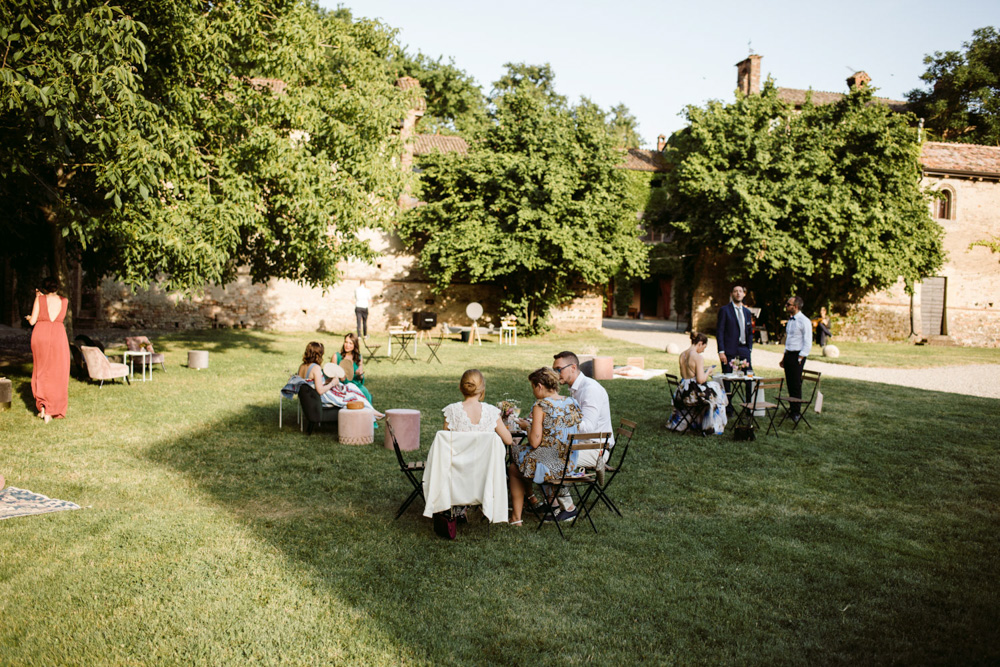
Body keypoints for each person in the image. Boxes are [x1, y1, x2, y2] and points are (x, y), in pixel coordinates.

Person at [509, 367, 582, 526]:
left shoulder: (541, 406)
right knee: (518, 467)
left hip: (551, 463)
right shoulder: (572, 402)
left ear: (539, 386)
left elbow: (535, 442)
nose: (534, 392)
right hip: (569, 461)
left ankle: (517, 515)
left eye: (533, 387)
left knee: (514, 460)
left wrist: (526, 427)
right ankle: (544, 503)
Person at [549, 351, 614, 468]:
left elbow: (588, 428)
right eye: (554, 370)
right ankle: (558, 485)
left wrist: (558, 421)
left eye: (559, 369)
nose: (556, 374)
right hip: (581, 443)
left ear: (573, 368)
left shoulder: (590, 390)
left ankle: (560, 485)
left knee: (546, 457)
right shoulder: (577, 388)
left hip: (595, 449)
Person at [25, 277, 70, 423]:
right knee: (57, 372)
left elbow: (33, 321)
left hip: (41, 334)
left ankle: (44, 407)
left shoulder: (40, 299)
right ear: (57, 287)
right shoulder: (65, 301)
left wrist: (29, 317)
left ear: (44, 287)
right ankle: (51, 409)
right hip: (58, 335)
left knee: (41, 370)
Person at [666, 332, 728, 434]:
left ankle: (698, 422)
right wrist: (708, 371)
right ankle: (713, 425)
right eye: (703, 347)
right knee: (718, 389)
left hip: (682, 392)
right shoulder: (698, 357)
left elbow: (686, 375)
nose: (703, 351)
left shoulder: (682, 354)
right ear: (700, 343)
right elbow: (700, 380)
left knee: (715, 388)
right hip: (692, 394)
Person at [296, 341, 379, 413]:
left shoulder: (302, 367)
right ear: (318, 355)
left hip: (310, 398)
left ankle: (371, 411)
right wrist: (332, 383)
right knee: (351, 392)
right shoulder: (316, 368)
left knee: (350, 388)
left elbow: (310, 383)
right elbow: (320, 391)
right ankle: (371, 411)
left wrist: (326, 381)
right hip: (320, 399)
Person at [716, 285, 754, 414]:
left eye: (741, 291)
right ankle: (728, 407)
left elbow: (750, 331)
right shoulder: (725, 310)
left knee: (749, 378)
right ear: (732, 293)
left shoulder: (747, 312)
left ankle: (748, 406)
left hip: (744, 349)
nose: (738, 293)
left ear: (744, 294)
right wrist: (721, 351)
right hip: (729, 350)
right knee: (727, 379)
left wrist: (749, 348)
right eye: (735, 291)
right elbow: (720, 332)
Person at [780, 296, 812, 424]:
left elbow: (807, 340)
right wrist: (784, 357)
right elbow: (789, 341)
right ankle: (792, 408)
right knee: (789, 383)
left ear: (796, 306)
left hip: (797, 356)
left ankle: (796, 412)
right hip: (789, 354)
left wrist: (801, 356)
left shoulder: (804, 321)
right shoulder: (791, 320)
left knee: (796, 384)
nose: (786, 306)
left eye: (788, 304)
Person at [335, 333, 372, 403]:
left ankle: (368, 412)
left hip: (356, 384)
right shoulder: (337, 356)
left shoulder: (359, 357)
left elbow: (360, 378)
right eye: (346, 342)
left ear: (355, 345)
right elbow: (331, 375)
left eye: (350, 343)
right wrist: (340, 377)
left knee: (366, 394)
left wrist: (360, 375)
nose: (347, 345)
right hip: (342, 386)